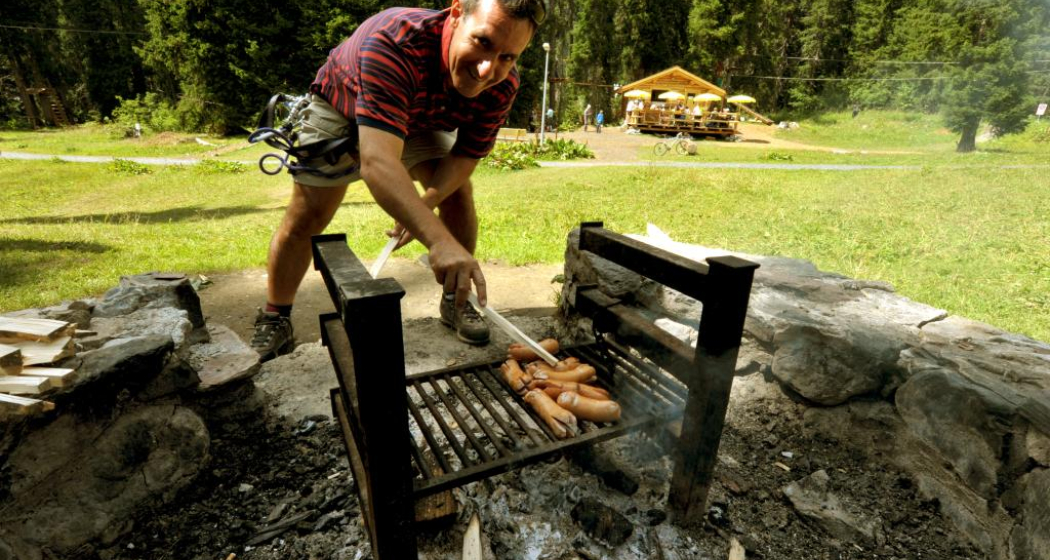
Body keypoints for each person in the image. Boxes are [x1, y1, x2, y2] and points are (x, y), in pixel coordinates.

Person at [250, 0, 545, 361]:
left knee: (456, 195)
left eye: (507, 57)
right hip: (341, 105)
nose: (488, 70)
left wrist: (424, 207)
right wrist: (438, 240)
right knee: (308, 215)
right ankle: (275, 315)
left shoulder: (502, 84)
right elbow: (378, 162)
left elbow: (465, 157)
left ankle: (456, 299)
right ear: (455, 15)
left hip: (419, 119)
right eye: (482, 42)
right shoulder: (395, 44)